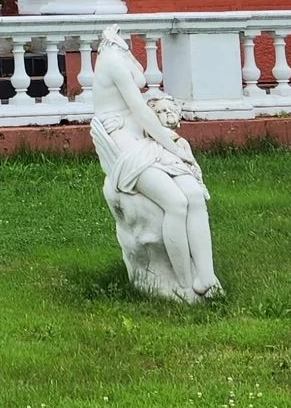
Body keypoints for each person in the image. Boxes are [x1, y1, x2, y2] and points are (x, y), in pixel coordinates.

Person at [89, 29, 221, 302]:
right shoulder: (112, 62)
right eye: (118, 35)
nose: (124, 37)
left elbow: (141, 86)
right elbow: (141, 112)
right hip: (127, 146)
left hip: (144, 137)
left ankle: (205, 275)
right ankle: (185, 283)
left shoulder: (121, 56)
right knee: (175, 202)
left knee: (194, 195)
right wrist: (172, 146)